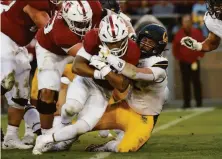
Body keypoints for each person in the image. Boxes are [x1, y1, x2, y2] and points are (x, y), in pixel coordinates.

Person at [32, 14, 141, 155]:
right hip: (85, 81)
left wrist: (105, 68)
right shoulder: (93, 37)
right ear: (101, 38)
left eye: (119, 42)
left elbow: (121, 85)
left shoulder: (133, 50)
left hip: (103, 92)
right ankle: (63, 131)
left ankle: (45, 139)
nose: (115, 47)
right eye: (110, 43)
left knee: (83, 126)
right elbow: (77, 67)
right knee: (70, 108)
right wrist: (99, 73)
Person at [86, 24, 169, 152]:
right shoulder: (133, 53)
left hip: (145, 117)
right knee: (85, 123)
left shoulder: (158, 63)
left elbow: (134, 73)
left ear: (159, 45)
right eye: (144, 40)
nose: (145, 44)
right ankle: (57, 141)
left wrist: (109, 57)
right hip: (125, 107)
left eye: (150, 42)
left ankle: (107, 146)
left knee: (125, 148)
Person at [34, 0, 103, 134]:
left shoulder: (95, 6)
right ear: (67, 19)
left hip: (79, 44)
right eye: (78, 23)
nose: (83, 26)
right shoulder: (61, 32)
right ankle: (46, 134)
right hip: (51, 51)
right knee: (47, 93)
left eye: (85, 21)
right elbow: (85, 56)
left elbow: (109, 18)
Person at [1, 0, 58, 149]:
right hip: (3, 38)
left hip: (19, 45)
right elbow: (45, 26)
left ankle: (10, 138)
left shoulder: (53, 5)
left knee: (21, 94)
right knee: (5, 81)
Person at [173, 15, 204, 108]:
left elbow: (202, 44)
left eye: (188, 21)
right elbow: (175, 48)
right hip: (184, 62)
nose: (186, 23)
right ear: (182, 23)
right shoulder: (179, 34)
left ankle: (199, 103)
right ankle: (187, 103)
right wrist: (179, 58)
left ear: (191, 22)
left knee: (196, 82)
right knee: (185, 82)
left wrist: (200, 56)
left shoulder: (197, 32)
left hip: (194, 61)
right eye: (185, 21)